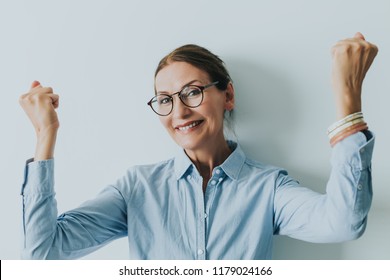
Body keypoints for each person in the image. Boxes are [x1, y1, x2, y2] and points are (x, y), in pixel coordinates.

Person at [19, 32, 378, 260]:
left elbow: (343, 223)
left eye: (192, 92)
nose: (179, 111)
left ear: (228, 95)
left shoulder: (268, 188)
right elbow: (42, 251)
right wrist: (45, 136)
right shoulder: (136, 189)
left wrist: (348, 102)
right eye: (164, 99)